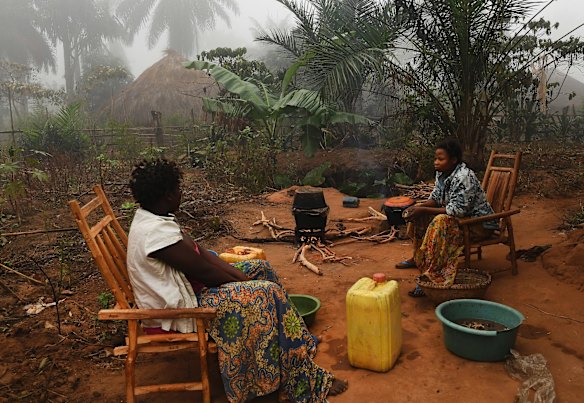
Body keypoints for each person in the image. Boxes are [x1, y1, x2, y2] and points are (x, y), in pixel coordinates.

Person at [126, 158, 348, 402]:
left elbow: (202, 254)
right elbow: (206, 272)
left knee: (261, 269)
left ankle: (295, 345)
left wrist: (242, 278)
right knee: (264, 293)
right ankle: (277, 383)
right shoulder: (156, 236)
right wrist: (244, 284)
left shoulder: (157, 217)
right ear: (168, 195)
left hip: (190, 288)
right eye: (178, 189)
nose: (181, 193)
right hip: (181, 310)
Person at [394, 140, 498, 297]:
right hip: (460, 220)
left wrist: (423, 209)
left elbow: (457, 211)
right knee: (419, 215)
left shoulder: (464, 177)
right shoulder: (442, 173)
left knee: (440, 222)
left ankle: (433, 275)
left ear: (454, 160)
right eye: (435, 158)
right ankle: (419, 257)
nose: (436, 162)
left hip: (478, 225)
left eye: (440, 159)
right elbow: (435, 198)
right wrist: (419, 207)